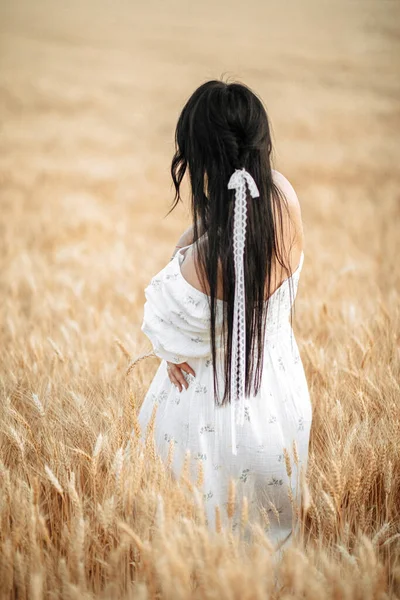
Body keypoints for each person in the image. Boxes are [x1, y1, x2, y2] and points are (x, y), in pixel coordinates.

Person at [137, 79, 312, 549]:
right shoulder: (284, 197)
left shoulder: (205, 258)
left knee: (202, 553)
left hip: (214, 423)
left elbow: (161, 318)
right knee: (273, 547)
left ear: (203, 159)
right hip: (280, 403)